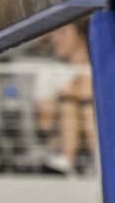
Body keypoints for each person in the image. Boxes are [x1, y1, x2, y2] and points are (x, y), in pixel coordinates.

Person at [34, 19, 96, 176]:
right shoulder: (50, 71)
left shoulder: (99, 70)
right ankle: (68, 158)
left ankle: (95, 159)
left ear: (80, 35)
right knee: (69, 102)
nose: (55, 39)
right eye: (54, 34)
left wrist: (83, 92)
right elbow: (44, 123)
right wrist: (70, 93)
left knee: (86, 103)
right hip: (59, 135)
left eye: (62, 32)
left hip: (94, 128)